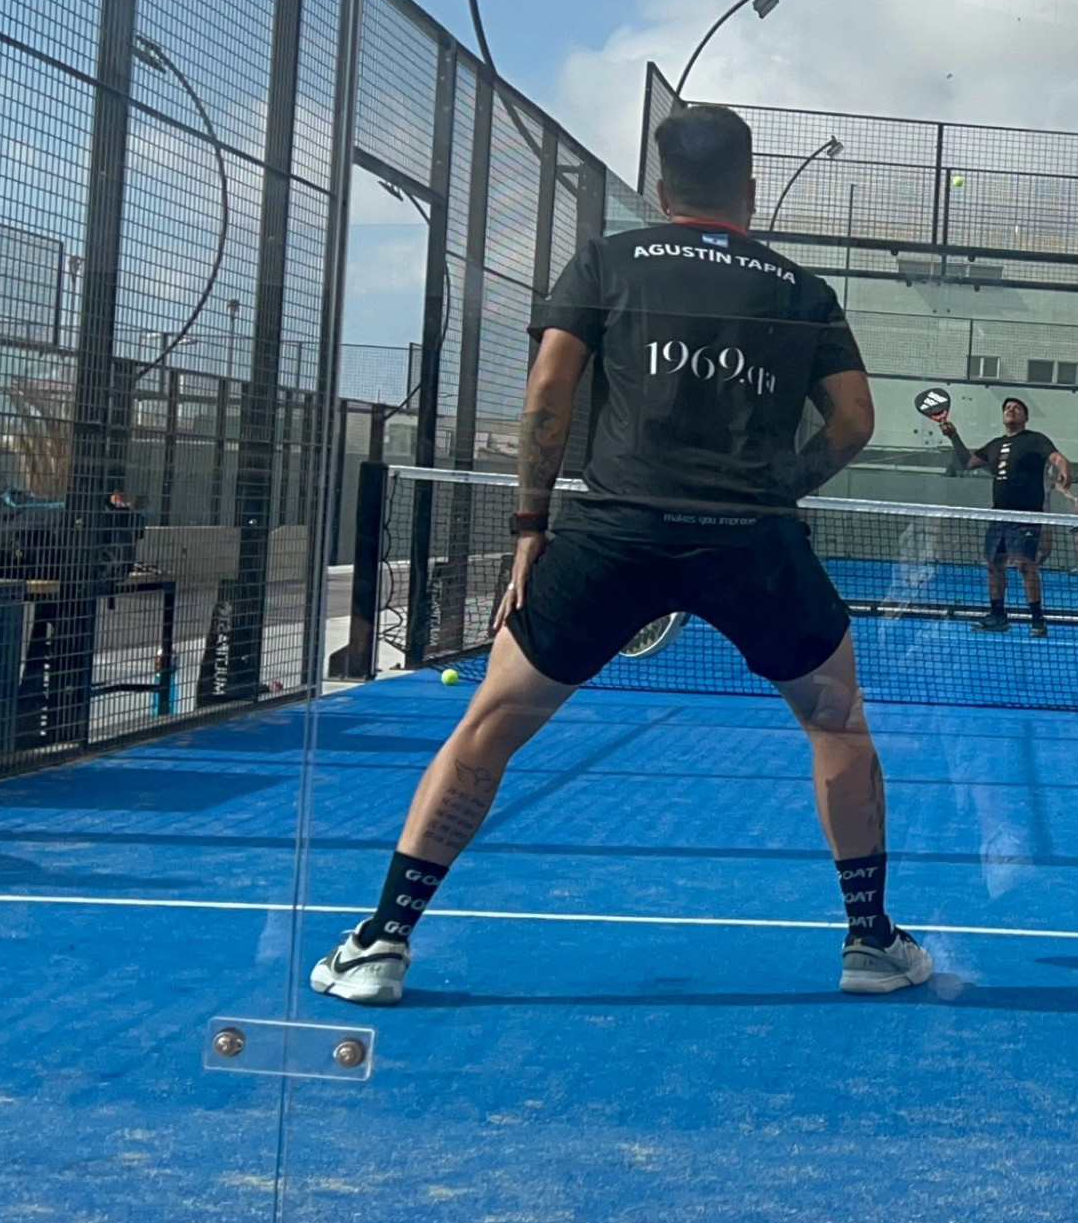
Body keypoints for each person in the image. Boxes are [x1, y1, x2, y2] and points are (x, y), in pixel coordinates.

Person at [311, 104, 931, 1005]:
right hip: (754, 542)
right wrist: (775, 488)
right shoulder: (802, 291)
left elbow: (549, 389)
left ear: (663, 189)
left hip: (613, 533)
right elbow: (855, 422)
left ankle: (381, 942)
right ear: (751, 189)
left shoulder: (607, 261)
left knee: (491, 722)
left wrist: (531, 524)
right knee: (836, 721)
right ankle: (871, 942)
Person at [939, 397, 1069, 635]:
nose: (1011, 409)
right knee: (994, 564)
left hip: (1027, 515)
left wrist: (1064, 470)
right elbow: (968, 463)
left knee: (1025, 565)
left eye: (1017, 408)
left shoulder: (1035, 440)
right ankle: (998, 616)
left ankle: (1037, 620)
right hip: (999, 516)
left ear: (1025, 417)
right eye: (1007, 407)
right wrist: (953, 436)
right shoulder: (995, 445)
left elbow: (1058, 458)